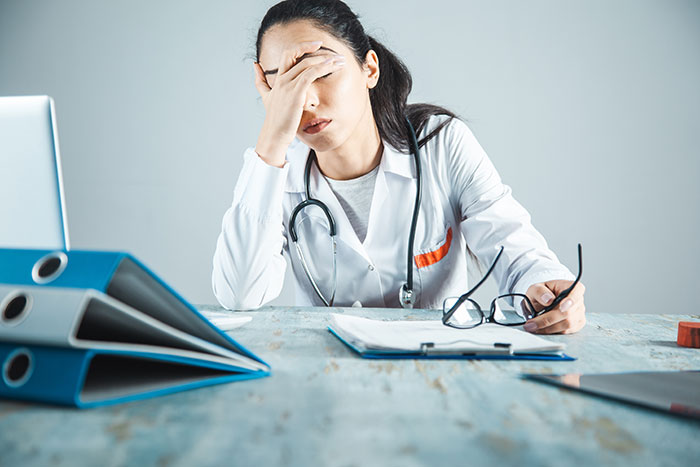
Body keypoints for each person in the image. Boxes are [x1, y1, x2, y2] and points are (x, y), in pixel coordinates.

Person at [212, 0, 586, 334]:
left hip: (437, 376)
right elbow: (240, 294)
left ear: (369, 69)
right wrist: (271, 140)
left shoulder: (442, 143)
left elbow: (514, 247)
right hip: (327, 381)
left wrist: (546, 286)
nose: (305, 100)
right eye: (285, 85)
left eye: (319, 72)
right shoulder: (275, 173)